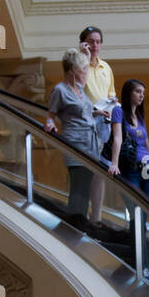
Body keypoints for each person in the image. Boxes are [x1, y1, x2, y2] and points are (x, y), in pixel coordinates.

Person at [45, 48, 101, 230]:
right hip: (75, 142)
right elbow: (50, 114)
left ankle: (81, 223)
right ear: (73, 71)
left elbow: (84, 111)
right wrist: (50, 124)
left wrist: (98, 112)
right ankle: (75, 226)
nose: (86, 73)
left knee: (86, 187)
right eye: (83, 69)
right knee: (78, 186)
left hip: (90, 142)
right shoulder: (60, 90)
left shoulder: (81, 90)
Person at [79, 25, 117, 228]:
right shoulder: (78, 65)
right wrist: (83, 57)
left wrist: (112, 104)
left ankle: (97, 217)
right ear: (83, 43)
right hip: (86, 122)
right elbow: (75, 91)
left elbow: (111, 94)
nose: (95, 45)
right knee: (85, 169)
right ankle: (81, 213)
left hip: (105, 122)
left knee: (100, 171)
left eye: (98, 41)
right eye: (91, 41)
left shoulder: (106, 68)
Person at [108, 79, 149, 202]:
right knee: (135, 207)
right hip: (131, 166)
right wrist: (114, 163)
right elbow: (117, 138)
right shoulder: (118, 111)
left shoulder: (140, 116)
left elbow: (147, 146)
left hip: (148, 167)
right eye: (138, 91)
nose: (141, 95)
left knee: (147, 208)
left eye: (143, 93)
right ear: (128, 93)